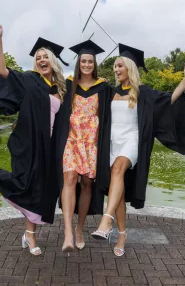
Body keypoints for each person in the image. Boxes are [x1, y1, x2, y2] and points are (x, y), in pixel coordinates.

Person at [0, 21, 68, 256]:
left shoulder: (59, 88)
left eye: (46, 57)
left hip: (48, 147)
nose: (42, 60)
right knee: (24, 184)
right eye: (38, 57)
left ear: (53, 62)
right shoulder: (29, 80)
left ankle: (29, 236)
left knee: (40, 191)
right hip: (28, 143)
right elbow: (2, 71)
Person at [91, 44, 185, 256]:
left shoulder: (144, 92)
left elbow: (169, 99)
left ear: (129, 68)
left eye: (119, 65)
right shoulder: (109, 92)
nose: (116, 70)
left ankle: (106, 221)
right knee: (118, 189)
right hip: (112, 142)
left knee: (117, 170)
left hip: (132, 140)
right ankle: (121, 234)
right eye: (114, 66)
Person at [51, 40, 113, 253]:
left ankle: (79, 228)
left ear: (95, 64)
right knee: (69, 179)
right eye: (83, 61)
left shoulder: (104, 87)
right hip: (72, 140)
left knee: (87, 184)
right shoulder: (68, 85)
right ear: (79, 62)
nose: (86, 64)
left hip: (92, 143)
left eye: (90, 61)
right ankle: (68, 232)